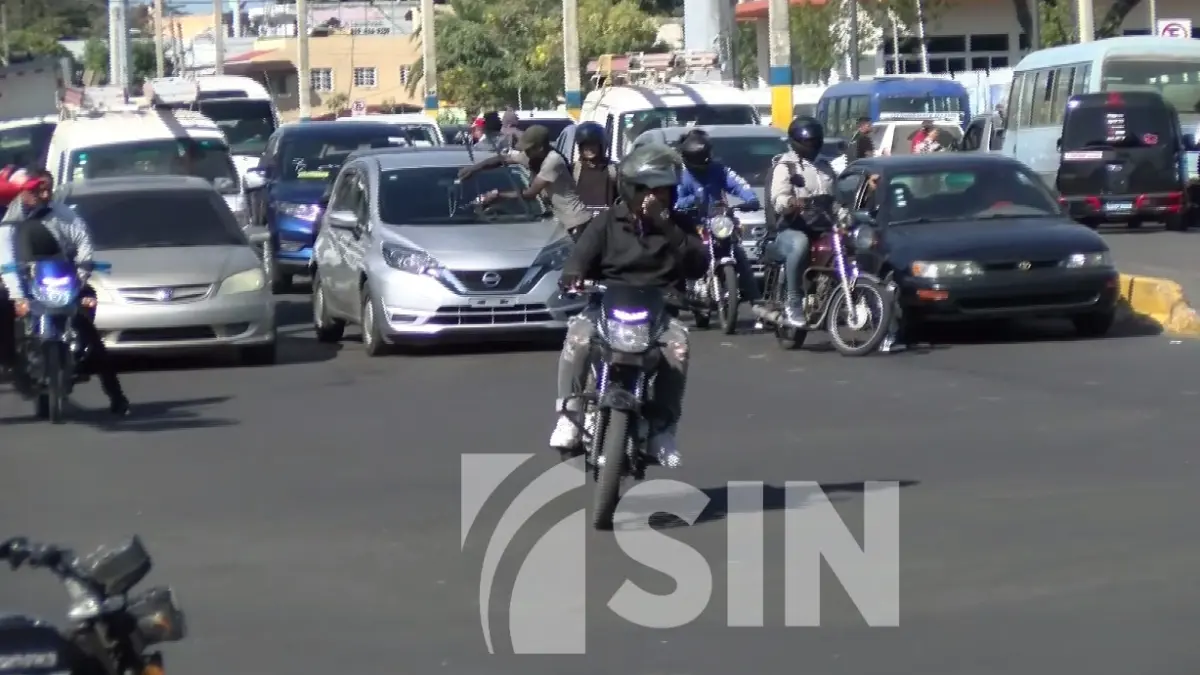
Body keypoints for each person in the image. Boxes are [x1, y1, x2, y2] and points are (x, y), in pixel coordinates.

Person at [550, 142, 707, 467]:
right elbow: (580, 258)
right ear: (631, 189)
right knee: (578, 336)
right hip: (606, 305)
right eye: (651, 192)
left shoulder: (679, 225)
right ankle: (569, 413)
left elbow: (697, 264)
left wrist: (665, 223)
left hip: (660, 312)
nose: (658, 198)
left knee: (678, 347)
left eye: (664, 192)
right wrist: (573, 274)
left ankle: (663, 429)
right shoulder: (606, 223)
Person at [0, 168, 130, 415]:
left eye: (49, 188)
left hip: (63, 281)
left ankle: (116, 395)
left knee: (88, 330)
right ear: (23, 191)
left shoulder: (63, 214)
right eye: (38, 189)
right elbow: (7, 262)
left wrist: (80, 277)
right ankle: (15, 365)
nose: (45, 194)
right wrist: (18, 296)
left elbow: (83, 243)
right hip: (25, 286)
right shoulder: (10, 223)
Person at [458, 124, 594, 239]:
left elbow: (530, 194)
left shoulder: (553, 161)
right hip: (562, 221)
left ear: (539, 148)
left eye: (528, 149)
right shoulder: (533, 155)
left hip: (576, 222)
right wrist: (475, 168)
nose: (524, 152)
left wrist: (498, 195)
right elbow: (502, 160)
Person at [674, 129, 761, 304]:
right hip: (692, 226)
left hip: (717, 222)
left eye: (704, 157)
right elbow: (674, 202)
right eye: (697, 159)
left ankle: (757, 303)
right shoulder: (680, 175)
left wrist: (751, 199)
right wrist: (692, 201)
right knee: (679, 255)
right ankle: (678, 295)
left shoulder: (718, 170)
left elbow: (738, 185)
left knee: (738, 254)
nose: (702, 162)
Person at [767, 115, 838, 328]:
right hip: (792, 228)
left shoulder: (826, 166)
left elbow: (835, 199)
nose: (812, 145)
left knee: (850, 243)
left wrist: (844, 212)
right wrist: (790, 203)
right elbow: (778, 199)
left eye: (815, 141)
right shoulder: (785, 166)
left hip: (822, 225)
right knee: (800, 243)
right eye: (807, 142)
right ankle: (793, 301)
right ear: (796, 142)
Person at [572, 121, 618, 209]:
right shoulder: (573, 170)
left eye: (593, 145)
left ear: (601, 146)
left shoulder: (613, 170)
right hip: (581, 220)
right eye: (585, 145)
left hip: (607, 220)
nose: (589, 149)